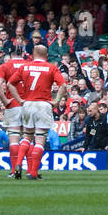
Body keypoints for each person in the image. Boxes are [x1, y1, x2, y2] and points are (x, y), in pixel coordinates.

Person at [7, 44, 66, 180]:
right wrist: (57, 101)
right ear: (46, 55)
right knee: (39, 139)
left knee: (27, 136)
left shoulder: (25, 67)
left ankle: (18, 164)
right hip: (43, 104)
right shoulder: (51, 67)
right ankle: (32, 172)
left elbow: (10, 84)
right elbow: (62, 85)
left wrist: (19, 100)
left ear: (33, 54)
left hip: (27, 104)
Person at [0, 47, 28, 177]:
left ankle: (14, 170)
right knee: (28, 138)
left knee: (14, 139)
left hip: (13, 104)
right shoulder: (29, 65)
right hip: (29, 104)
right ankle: (31, 171)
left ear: (11, 54)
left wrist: (5, 100)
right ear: (24, 53)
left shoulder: (5, 65)